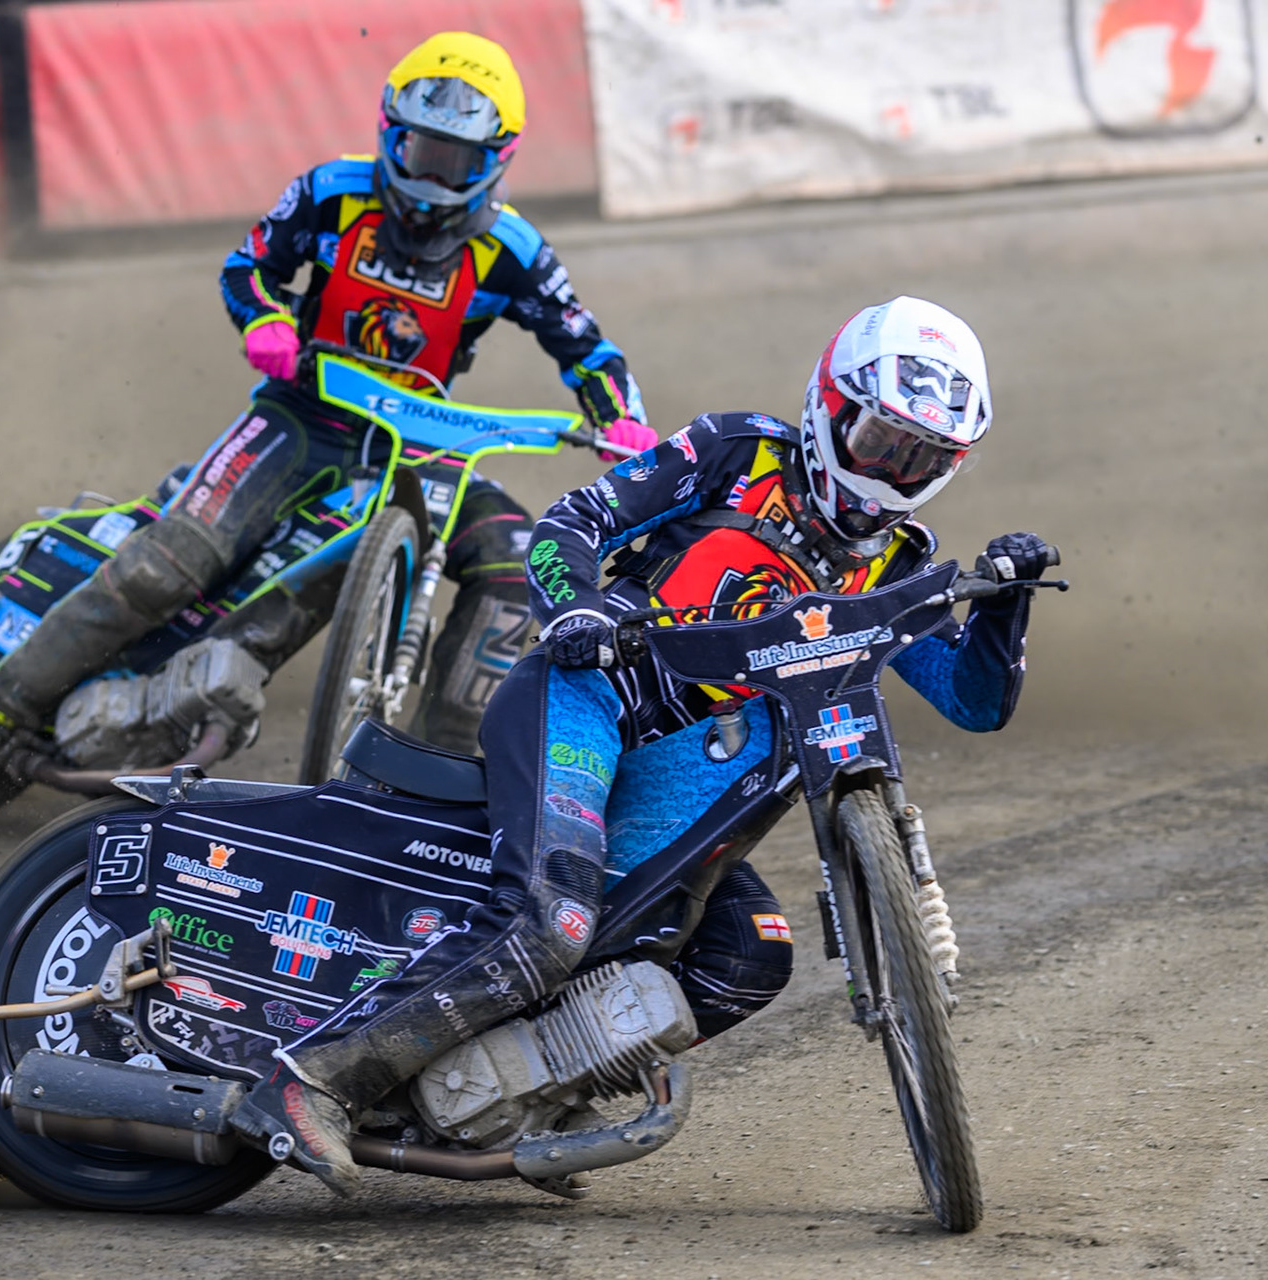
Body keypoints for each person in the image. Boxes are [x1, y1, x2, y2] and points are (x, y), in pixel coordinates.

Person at [228, 296, 1057, 1196]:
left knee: (754, 952)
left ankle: (532, 1091)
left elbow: (973, 702)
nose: (894, 472)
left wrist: (1003, 605)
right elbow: (565, 527)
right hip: (587, 697)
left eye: (924, 457)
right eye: (882, 440)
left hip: (690, 770)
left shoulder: (900, 559)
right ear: (829, 401)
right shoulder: (738, 451)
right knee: (552, 921)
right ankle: (306, 1080)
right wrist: (576, 605)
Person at [0, 31, 654, 772]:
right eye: (422, 148)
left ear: (496, 161)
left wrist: (622, 417)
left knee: (517, 564)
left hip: (423, 447)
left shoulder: (518, 251)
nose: (430, 177)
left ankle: (442, 774)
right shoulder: (331, 192)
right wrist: (263, 318)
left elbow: (589, 351)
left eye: (454, 159)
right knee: (163, 569)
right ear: (390, 132)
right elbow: (248, 267)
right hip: (298, 414)